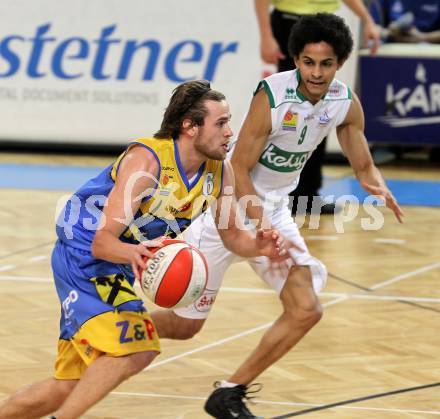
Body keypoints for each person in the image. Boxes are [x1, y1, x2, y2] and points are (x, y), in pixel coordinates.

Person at [149, 13, 403, 419]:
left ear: (339, 63)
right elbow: (239, 169)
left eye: (326, 63)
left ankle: (228, 393)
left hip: (275, 212)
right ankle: (113, 325)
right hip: (230, 208)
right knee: (184, 327)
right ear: (295, 59)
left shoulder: (344, 101)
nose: (316, 72)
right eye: (307, 62)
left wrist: (376, 183)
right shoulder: (272, 96)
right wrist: (260, 224)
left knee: (306, 309)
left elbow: (362, 161)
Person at [0, 80, 288, 419]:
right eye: (221, 123)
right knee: (139, 348)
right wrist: (136, 254)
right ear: (190, 127)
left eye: (229, 122)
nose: (230, 132)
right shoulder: (147, 162)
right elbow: (103, 241)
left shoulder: (219, 172)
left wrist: (259, 246)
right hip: (85, 256)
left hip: (115, 264)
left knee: (70, 383)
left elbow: (232, 237)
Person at [254, 0, 381, 215]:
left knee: (320, 113)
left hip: (326, 24)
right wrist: (266, 36)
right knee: (289, 114)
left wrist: (367, 19)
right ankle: (270, 192)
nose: (317, 71)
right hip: (290, 22)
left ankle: (307, 195)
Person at [370, 0, 440, 43]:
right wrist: (388, 32)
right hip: (392, 48)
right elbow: (372, 28)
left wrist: (423, 37)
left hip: (430, 51)